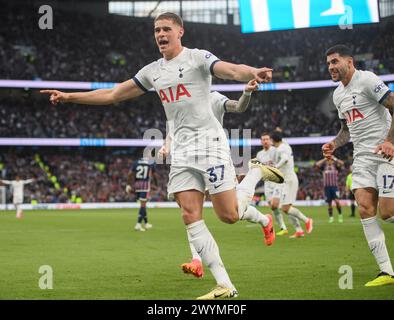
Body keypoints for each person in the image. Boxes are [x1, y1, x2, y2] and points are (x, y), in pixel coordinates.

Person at [41, 12, 283, 299]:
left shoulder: (197, 58)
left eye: (166, 28)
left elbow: (229, 70)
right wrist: (70, 97)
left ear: (180, 32)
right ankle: (225, 285)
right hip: (181, 150)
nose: (160, 34)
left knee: (228, 215)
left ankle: (254, 173)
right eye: (157, 30)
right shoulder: (151, 71)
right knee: (189, 214)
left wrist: (252, 71)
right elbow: (115, 94)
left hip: (210, 145)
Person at [158, 80, 281, 279]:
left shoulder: (214, 97)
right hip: (189, 161)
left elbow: (238, 107)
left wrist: (246, 93)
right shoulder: (179, 102)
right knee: (190, 212)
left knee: (231, 213)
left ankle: (262, 210)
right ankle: (197, 261)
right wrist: (166, 146)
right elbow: (173, 131)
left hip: (215, 158)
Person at [323, 44, 394, 286]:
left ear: (349, 61)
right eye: (329, 63)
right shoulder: (337, 95)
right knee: (365, 207)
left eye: (335, 61)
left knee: (388, 212)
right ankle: (387, 272)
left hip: (386, 154)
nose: (331, 67)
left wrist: (390, 141)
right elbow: (346, 129)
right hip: (362, 157)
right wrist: (334, 143)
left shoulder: (367, 80)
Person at [271, 131, 313, 238]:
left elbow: (285, 159)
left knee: (285, 208)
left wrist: (275, 167)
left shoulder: (281, 149)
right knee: (285, 207)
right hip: (286, 180)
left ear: (273, 140)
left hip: (289, 180)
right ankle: (299, 230)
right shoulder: (285, 145)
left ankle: (307, 220)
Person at [256, 132, 288, 235]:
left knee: (275, 205)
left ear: (270, 141)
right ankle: (283, 227)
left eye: (267, 139)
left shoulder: (275, 150)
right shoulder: (259, 154)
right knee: (273, 207)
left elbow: (284, 156)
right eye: (263, 139)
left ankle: (286, 219)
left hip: (276, 181)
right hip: (267, 182)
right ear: (261, 141)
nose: (265, 141)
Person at [126, 157, 156, 231]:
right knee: (143, 204)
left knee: (143, 204)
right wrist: (156, 184)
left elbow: (130, 174)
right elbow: (154, 175)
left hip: (137, 185)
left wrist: (128, 184)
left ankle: (146, 223)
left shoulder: (136, 162)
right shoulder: (151, 162)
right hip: (145, 185)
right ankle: (138, 224)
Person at [315, 156, 345, 223]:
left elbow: (342, 163)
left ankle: (340, 215)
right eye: (328, 160)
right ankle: (331, 217)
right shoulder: (324, 168)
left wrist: (334, 158)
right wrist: (325, 158)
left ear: (333, 161)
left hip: (335, 187)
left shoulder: (336, 167)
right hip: (327, 188)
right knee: (329, 203)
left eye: (331, 160)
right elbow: (317, 164)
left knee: (337, 201)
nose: (329, 161)